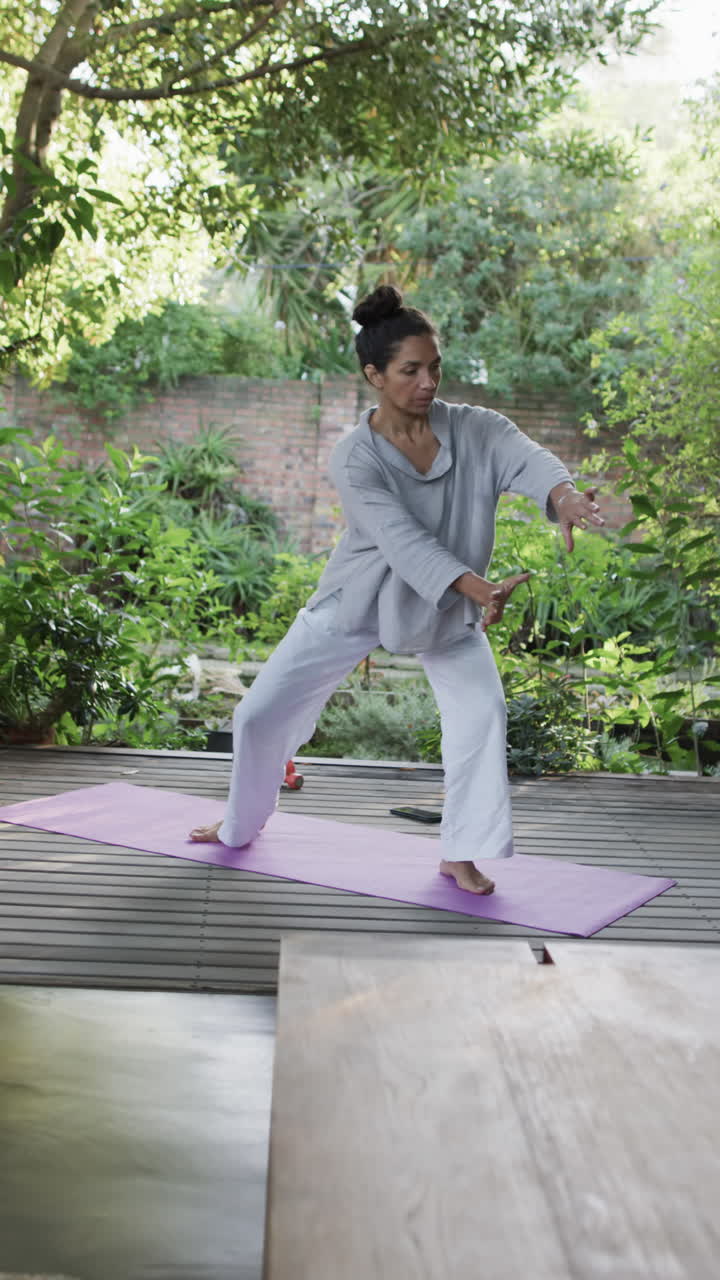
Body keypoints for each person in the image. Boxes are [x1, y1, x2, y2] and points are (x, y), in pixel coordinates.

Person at [190, 285, 604, 894]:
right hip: (360, 600)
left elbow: (529, 459)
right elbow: (401, 540)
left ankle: (460, 853)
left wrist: (563, 495)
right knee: (257, 714)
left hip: (447, 610)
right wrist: (478, 587)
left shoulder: (476, 429)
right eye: (411, 370)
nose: (428, 382)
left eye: (435, 367)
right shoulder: (354, 457)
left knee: (481, 713)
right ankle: (239, 824)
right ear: (374, 376)